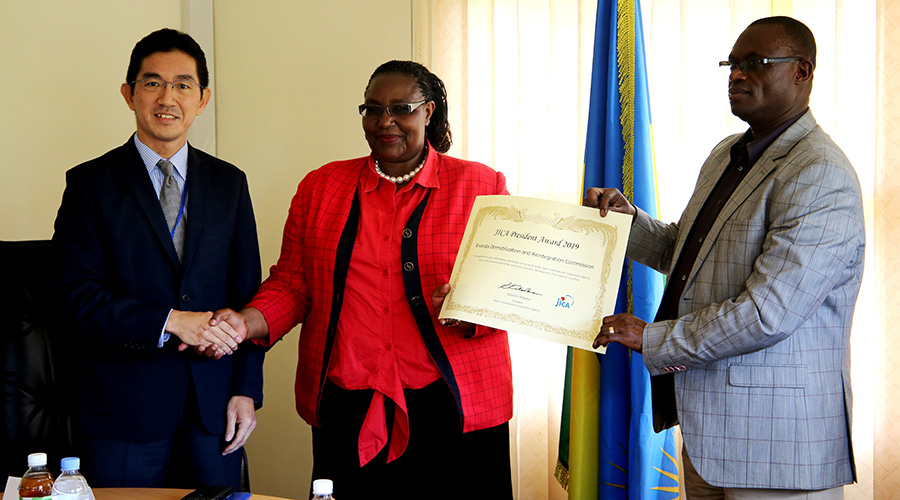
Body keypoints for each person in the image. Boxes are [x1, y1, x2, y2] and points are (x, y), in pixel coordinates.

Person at [586, 16, 863, 498]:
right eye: (731, 64)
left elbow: (768, 313)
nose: (736, 75)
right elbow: (689, 254)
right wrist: (625, 223)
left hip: (777, 445)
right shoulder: (726, 154)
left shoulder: (819, 172)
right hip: (709, 431)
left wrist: (651, 337)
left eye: (755, 63)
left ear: (802, 71)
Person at [211, 60, 514, 499]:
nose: (385, 121)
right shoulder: (321, 187)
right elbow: (292, 284)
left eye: (401, 108)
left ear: (428, 111)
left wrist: (468, 308)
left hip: (454, 406)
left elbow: (510, 291)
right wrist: (245, 322)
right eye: (373, 109)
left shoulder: (480, 186)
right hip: (347, 403)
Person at [52, 28, 264, 490]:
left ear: (203, 99)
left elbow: (249, 296)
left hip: (214, 409)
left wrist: (246, 390)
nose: (168, 98)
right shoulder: (90, 185)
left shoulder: (229, 183)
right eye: (153, 83)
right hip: (123, 411)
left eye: (183, 85)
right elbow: (75, 297)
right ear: (129, 94)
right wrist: (171, 321)